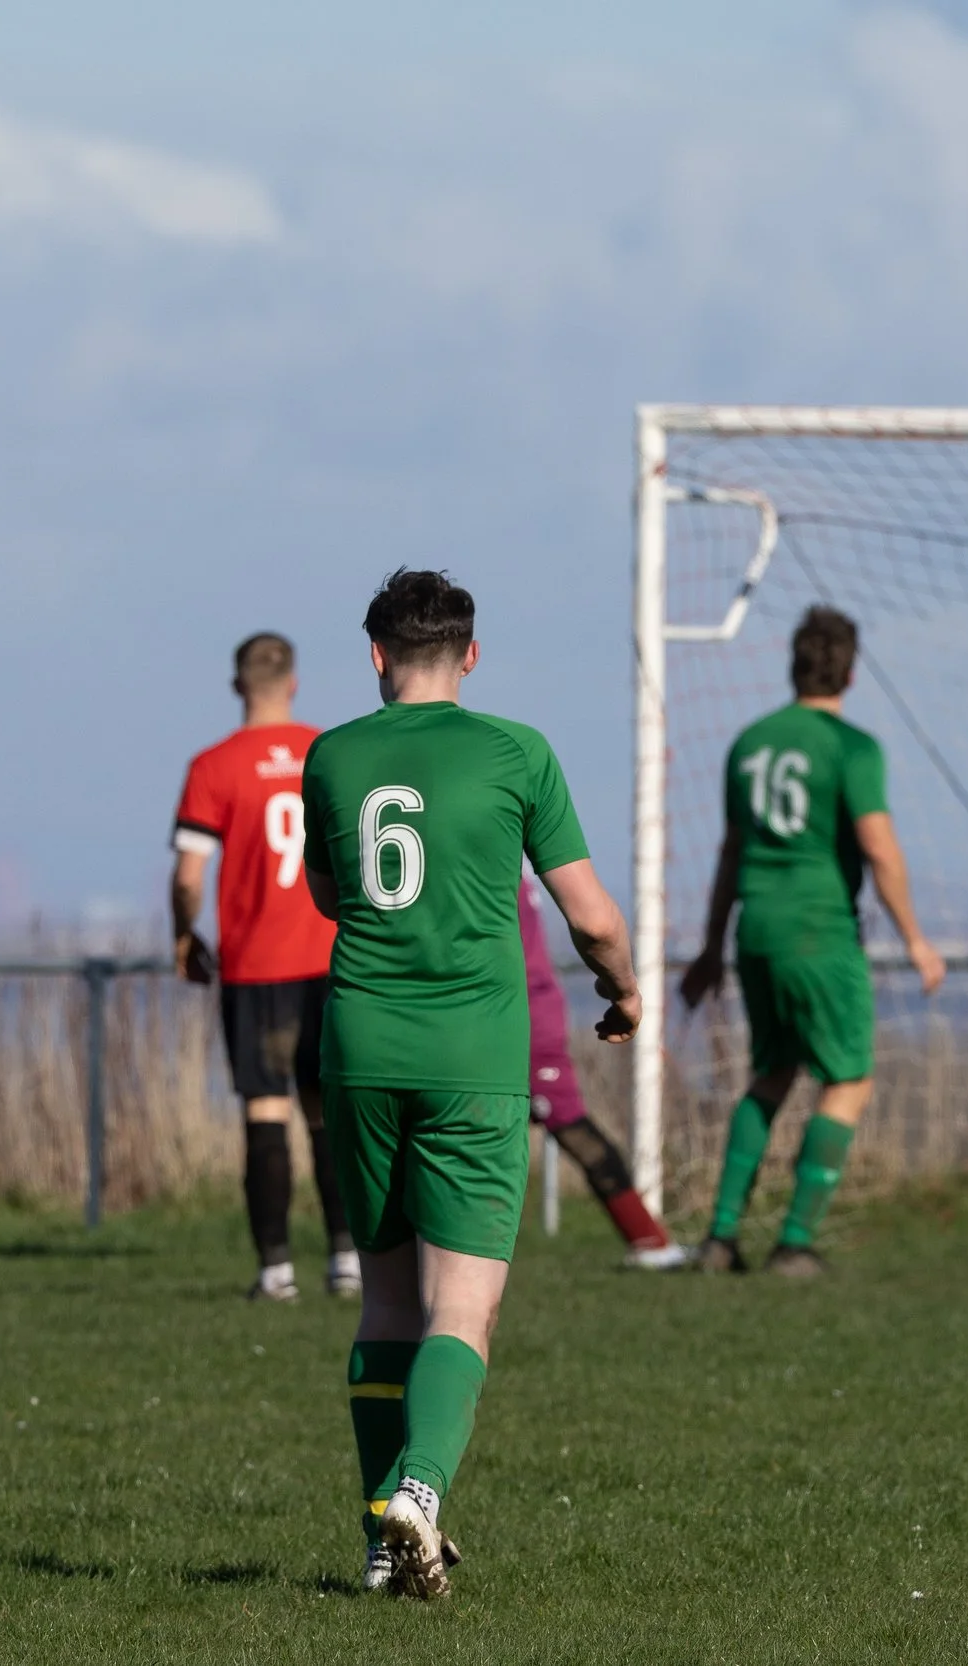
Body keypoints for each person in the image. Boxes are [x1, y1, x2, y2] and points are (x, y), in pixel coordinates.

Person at [301, 568, 637, 1600]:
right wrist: (620, 989)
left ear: (375, 656)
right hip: (471, 1059)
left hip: (358, 1048)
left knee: (387, 1299)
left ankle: (376, 1542)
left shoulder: (332, 754)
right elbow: (589, 914)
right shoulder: (515, 751)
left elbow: (327, 890)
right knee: (466, 1305)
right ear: (472, 655)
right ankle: (421, 1489)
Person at [678, 607, 946, 1277]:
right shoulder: (852, 748)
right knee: (848, 1079)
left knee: (770, 1074)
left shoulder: (749, 743)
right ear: (852, 672)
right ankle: (795, 1240)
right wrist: (916, 937)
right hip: (820, 932)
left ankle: (720, 1237)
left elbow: (730, 852)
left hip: (756, 932)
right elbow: (878, 847)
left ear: (793, 665)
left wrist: (713, 947)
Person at [172, 633, 358, 1302]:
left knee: (265, 1111)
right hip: (334, 961)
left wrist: (183, 932)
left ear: (236, 686)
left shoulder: (213, 766)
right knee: (329, 1111)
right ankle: (347, 1260)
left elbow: (190, 876)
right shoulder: (330, 752)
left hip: (256, 970)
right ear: (295, 683)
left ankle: (276, 1270)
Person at [518, 876, 683, 1268]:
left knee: (573, 1128)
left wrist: (622, 988)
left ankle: (648, 1240)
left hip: (524, 1020)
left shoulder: (491, 863)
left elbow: (596, 924)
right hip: (510, 1015)